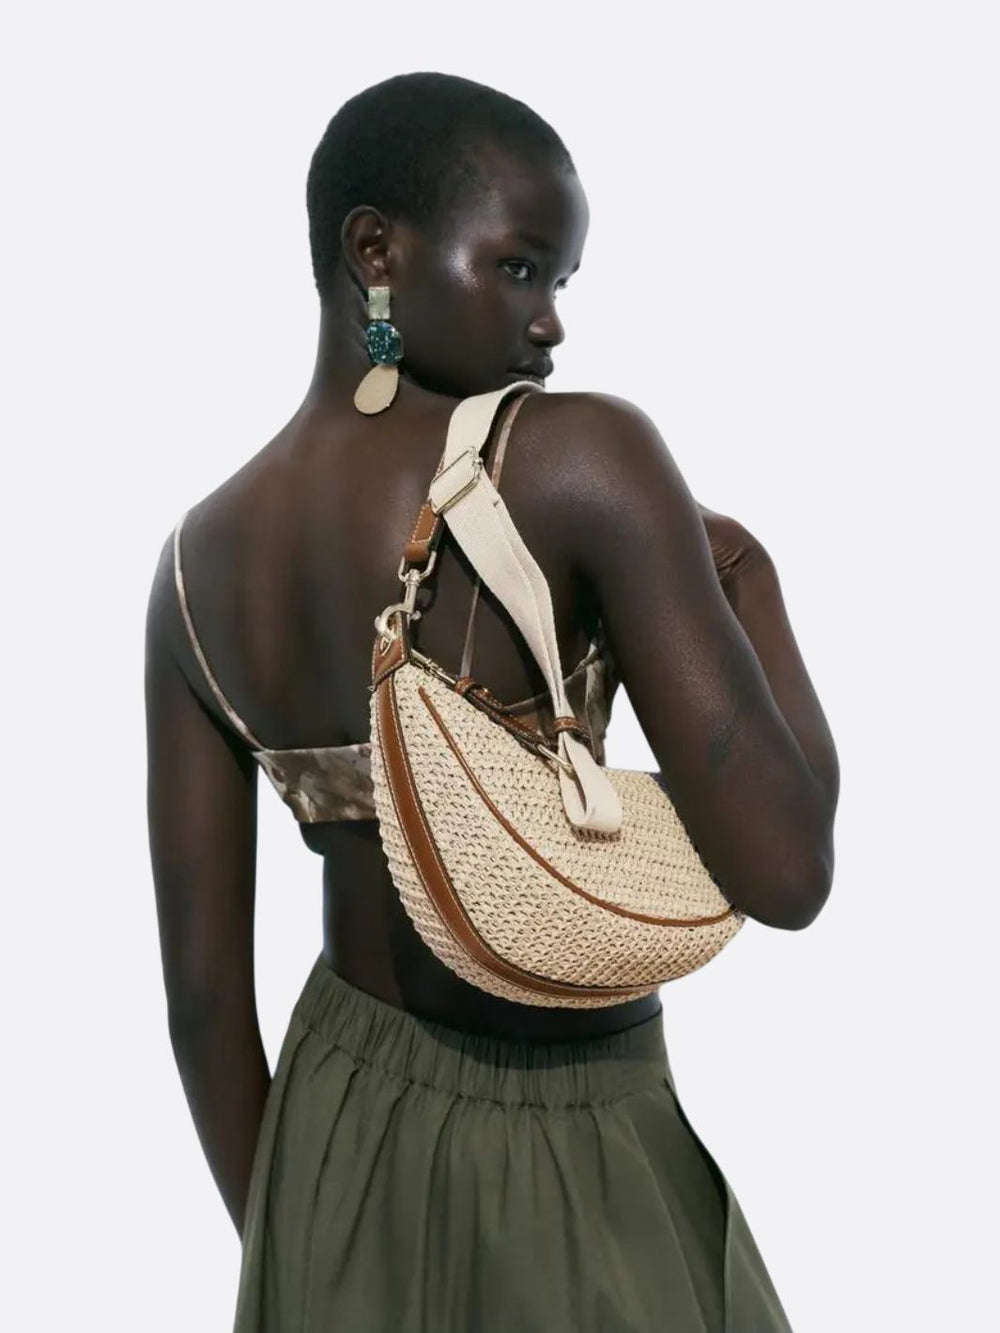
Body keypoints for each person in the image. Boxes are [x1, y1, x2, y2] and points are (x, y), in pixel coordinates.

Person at [145, 71, 838, 1332]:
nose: (552, 323)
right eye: (520, 268)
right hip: (573, 1142)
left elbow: (201, 1004)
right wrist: (746, 573)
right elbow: (787, 868)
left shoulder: (195, 562)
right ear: (375, 253)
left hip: (329, 1128)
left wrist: (296, 1251)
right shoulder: (578, 455)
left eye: (560, 281)